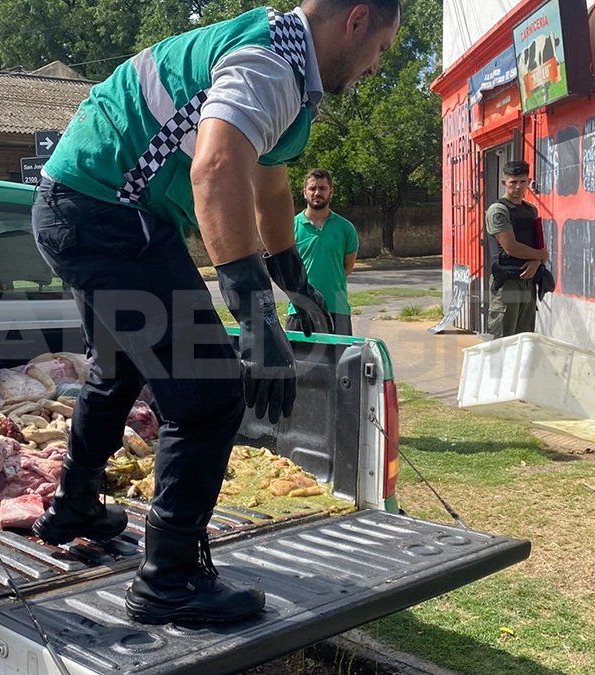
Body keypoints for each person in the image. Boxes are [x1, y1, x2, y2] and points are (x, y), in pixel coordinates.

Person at [29, 0, 399, 625]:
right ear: (356, 20)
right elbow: (218, 167)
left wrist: (292, 279)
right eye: (382, 50)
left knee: (116, 367)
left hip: (78, 206)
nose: (375, 67)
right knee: (210, 395)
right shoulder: (272, 63)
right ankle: (169, 579)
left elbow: (270, 186)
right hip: (110, 214)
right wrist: (256, 314)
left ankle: (74, 505)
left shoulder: (287, 69)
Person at [287, 169, 359, 335]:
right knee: (297, 353)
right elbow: (286, 269)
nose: (317, 193)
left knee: (340, 354)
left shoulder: (346, 228)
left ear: (331, 192)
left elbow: (347, 268)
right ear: (304, 192)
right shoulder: (290, 228)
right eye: (312, 188)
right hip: (300, 309)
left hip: (337, 309)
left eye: (322, 188)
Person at [485, 160, 550, 338]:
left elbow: (538, 243)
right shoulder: (498, 210)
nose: (518, 186)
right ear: (504, 183)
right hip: (508, 282)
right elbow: (511, 247)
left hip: (528, 281)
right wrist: (541, 256)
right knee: (503, 339)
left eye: (523, 181)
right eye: (513, 182)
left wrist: (536, 261)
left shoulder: (531, 210)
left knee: (525, 338)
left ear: (529, 182)